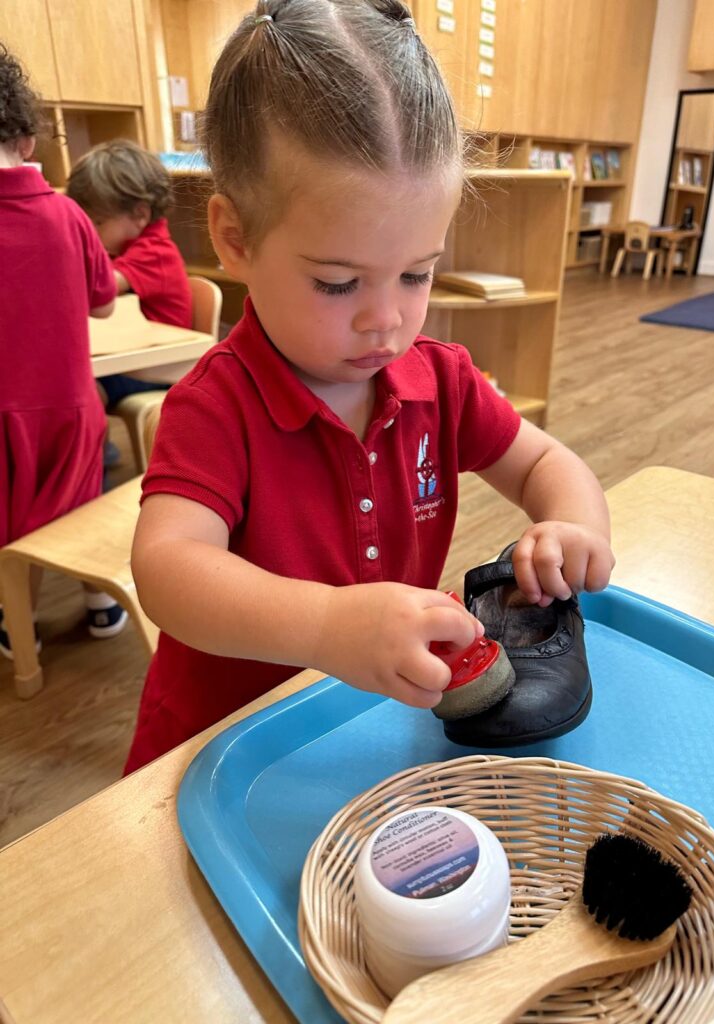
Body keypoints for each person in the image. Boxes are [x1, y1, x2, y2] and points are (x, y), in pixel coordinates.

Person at [124, 0, 615, 772]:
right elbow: (168, 570)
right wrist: (324, 625)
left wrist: (572, 526)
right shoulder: (216, 406)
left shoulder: (440, 380)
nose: (386, 321)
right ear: (234, 238)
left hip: (369, 729)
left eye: (416, 274)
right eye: (338, 282)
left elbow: (546, 463)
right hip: (224, 753)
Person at [0, 43, 127, 655]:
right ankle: (100, 602)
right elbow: (103, 304)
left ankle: (14, 621)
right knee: (79, 509)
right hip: (70, 406)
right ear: (27, 141)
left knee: (8, 531)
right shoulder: (69, 215)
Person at [66, 139, 193, 414]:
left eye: (97, 223)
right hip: (129, 359)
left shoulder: (155, 252)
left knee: (81, 388)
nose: (91, 234)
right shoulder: (125, 248)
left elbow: (101, 288)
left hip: (158, 368)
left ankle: (96, 441)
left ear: (140, 215)